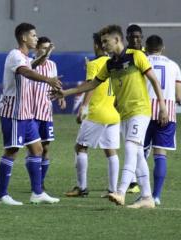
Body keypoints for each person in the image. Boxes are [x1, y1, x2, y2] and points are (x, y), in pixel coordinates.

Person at [50, 25, 168, 208]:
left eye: (106, 41)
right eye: (102, 42)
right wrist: (66, 93)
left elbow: (154, 79)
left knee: (130, 147)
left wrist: (162, 106)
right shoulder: (110, 64)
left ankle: (120, 192)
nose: (103, 45)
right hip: (124, 114)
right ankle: (147, 197)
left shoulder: (136, 56)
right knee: (137, 154)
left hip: (140, 111)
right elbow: (91, 85)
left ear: (117, 40)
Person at [0, 23, 61, 206]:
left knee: (37, 149)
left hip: (27, 113)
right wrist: (48, 79)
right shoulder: (14, 55)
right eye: (33, 35)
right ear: (24, 38)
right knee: (12, 151)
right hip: (14, 112)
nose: (36, 38)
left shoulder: (24, 57)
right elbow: (26, 71)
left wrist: (45, 56)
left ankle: (37, 193)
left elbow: (31, 65)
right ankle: (1, 195)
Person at [65, 33, 120, 198]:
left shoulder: (94, 64)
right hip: (113, 114)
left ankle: (82, 188)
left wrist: (83, 107)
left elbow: (91, 86)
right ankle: (113, 190)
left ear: (97, 46)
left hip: (97, 113)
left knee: (80, 147)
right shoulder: (115, 64)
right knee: (111, 151)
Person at [144, 35, 181, 205]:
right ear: (163, 48)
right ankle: (156, 196)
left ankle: (138, 191)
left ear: (146, 47)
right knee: (160, 154)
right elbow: (179, 97)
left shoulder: (142, 61)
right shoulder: (174, 65)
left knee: (139, 153)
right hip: (166, 113)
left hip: (143, 112)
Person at [31, 36, 66, 190]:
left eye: (48, 48)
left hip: (46, 112)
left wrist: (60, 95)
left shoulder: (52, 65)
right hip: (31, 113)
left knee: (45, 149)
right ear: (36, 49)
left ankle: (40, 182)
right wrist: (46, 54)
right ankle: (36, 183)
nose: (47, 51)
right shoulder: (29, 64)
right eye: (43, 48)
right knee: (35, 149)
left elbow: (54, 83)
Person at [125, 24, 144, 193]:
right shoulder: (124, 56)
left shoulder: (143, 55)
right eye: (132, 37)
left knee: (135, 147)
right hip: (127, 109)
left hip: (143, 109)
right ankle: (136, 185)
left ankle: (124, 188)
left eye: (138, 37)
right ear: (127, 38)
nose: (136, 40)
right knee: (136, 148)